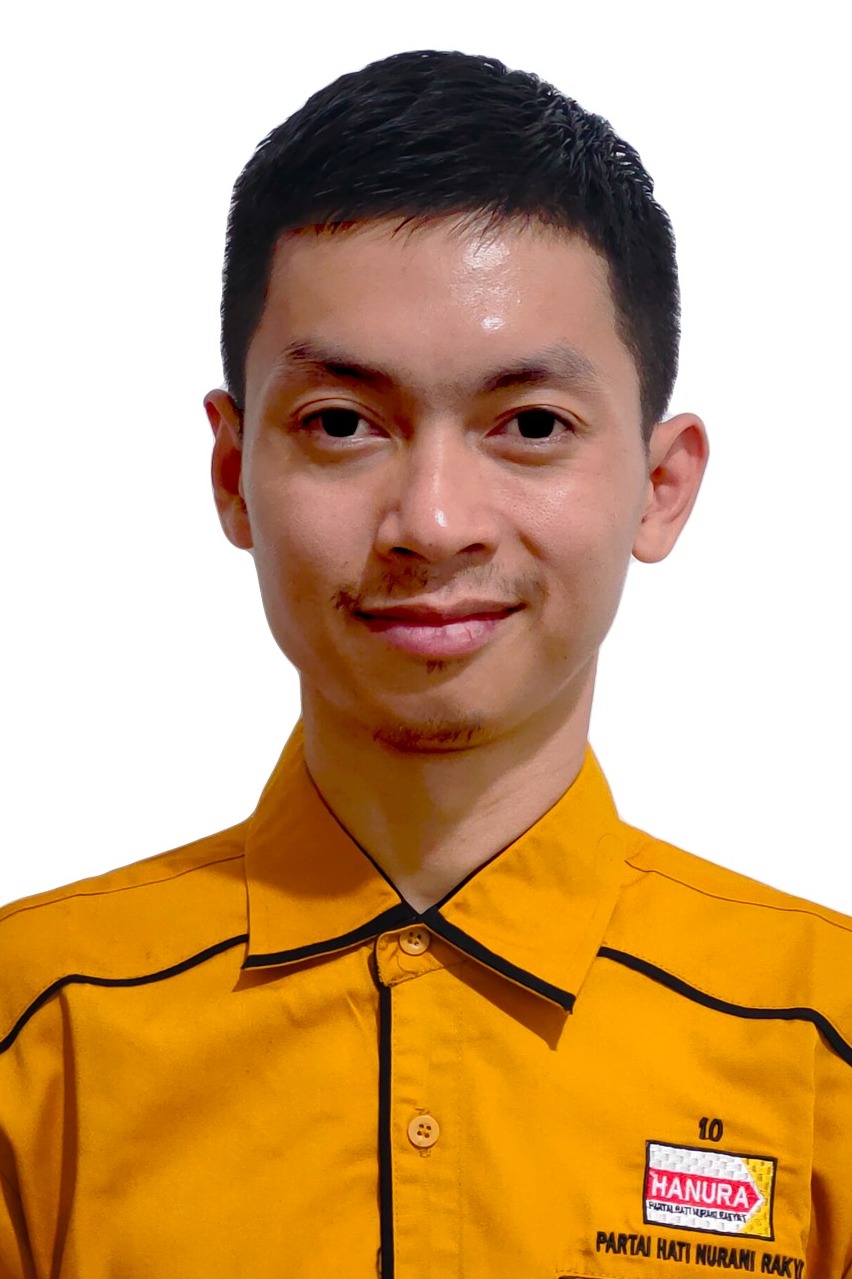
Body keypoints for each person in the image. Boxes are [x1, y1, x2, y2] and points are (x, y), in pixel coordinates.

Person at [1, 47, 849, 1279]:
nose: (434, 521)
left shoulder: (819, 1042)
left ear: (661, 487)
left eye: (532, 425)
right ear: (234, 473)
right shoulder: (42, 1034)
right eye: (343, 422)